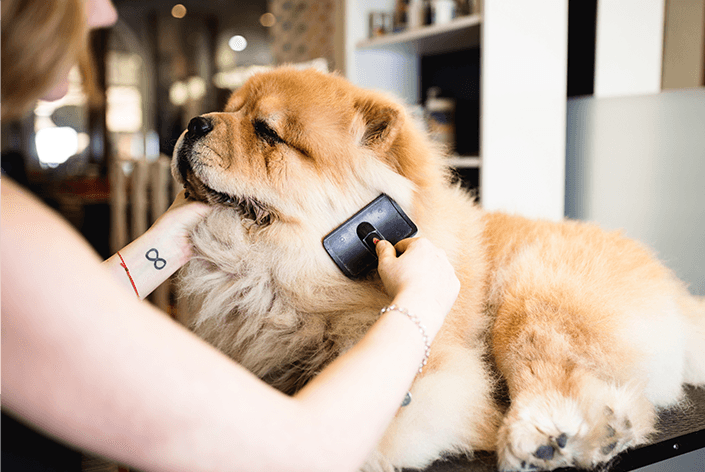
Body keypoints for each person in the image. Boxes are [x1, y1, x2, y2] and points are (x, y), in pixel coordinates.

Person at [0, 1, 461, 471]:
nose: (105, 14)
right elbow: (303, 452)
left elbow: (65, 315)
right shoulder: (12, 239)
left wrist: (165, 242)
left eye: (263, 131)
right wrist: (419, 306)